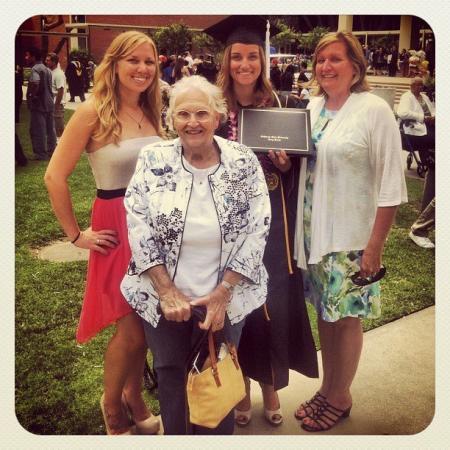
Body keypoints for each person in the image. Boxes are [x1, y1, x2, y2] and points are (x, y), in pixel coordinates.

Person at [120, 75, 271, 435]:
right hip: (164, 297)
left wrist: (223, 293)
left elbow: (259, 225)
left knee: (217, 376)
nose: (192, 123)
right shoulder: (153, 158)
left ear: (218, 117)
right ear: (171, 119)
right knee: (171, 374)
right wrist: (166, 290)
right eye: (183, 114)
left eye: (202, 113)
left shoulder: (243, 160)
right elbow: (137, 222)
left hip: (226, 296)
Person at [44, 31, 163, 435]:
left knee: (146, 324)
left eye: (149, 61)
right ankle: (112, 406)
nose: (143, 69)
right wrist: (76, 235)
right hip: (116, 225)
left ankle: (135, 397)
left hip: (155, 228)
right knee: (130, 329)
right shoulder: (93, 111)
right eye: (133, 61)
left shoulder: (154, 109)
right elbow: (54, 177)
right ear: (113, 64)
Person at [204, 15, 318, 427]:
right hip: (223, 222)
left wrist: (286, 165)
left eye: (253, 56)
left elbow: (292, 167)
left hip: (271, 224)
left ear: (262, 61)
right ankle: (239, 392)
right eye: (238, 56)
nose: (245, 64)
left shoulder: (282, 104)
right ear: (227, 60)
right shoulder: (214, 105)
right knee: (233, 307)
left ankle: (270, 387)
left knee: (268, 303)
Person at [293, 31, 407, 432]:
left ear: (355, 66)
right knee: (327, 314)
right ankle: (329, 387)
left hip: (350, 239)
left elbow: (392, 184)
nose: (326, 67)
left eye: (335, 59)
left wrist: (374, 248)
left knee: (346, 320)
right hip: (314, 236)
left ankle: (341, 396)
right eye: (320, 60)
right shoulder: (312, 107)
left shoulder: (373, 110)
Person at [25, 46, 56, 161]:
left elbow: (35, 82)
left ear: (33, 57)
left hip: (39, 104)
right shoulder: (47, 69)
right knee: (50, 129)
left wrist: (32, 96)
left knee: (38, 130)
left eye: (28, 55)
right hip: (49, 103)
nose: (26, 57)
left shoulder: (35, 69)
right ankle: (52, 151)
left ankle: (41, 154)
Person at [397, 77, 435, 166]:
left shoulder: (424, 97)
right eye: (418, 85)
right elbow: (402, 113)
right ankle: (428, 161)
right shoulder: (406, 97)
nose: (421, 87)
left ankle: (434, 158)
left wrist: (433, 117)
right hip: (415, 125)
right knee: (431, 137)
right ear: (412, 86)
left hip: (429, 123)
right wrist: (423, 118)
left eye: (422, 85)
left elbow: (432, 109)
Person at [45, 52, 66, 137]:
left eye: (48, 60)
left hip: (57, 105)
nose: (46, 61)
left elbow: (60, 91)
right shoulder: (51, 72)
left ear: (54, 62)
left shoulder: (58, 74)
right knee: (52, 129)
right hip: (51, 104)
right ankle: (54, 146)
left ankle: (62, 147)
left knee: (59, 129)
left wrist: (56, 106)